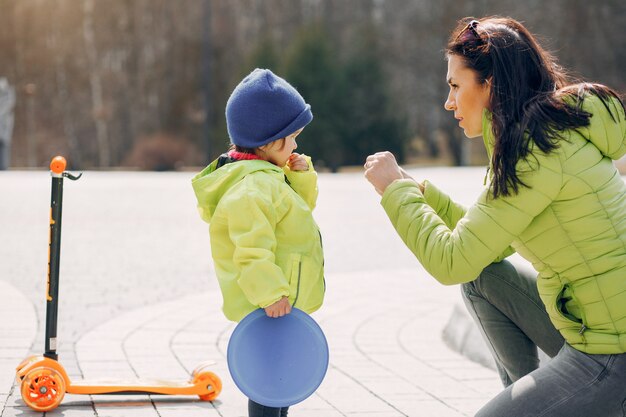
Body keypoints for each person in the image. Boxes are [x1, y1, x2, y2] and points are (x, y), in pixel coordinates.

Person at [364, 16, 626, 417]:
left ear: (490, 86)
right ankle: (534, 398)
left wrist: (394, 192)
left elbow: (450, 261)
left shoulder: (534, 154)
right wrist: (420, 194)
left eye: (455, 86)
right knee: (481, 277)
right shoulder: (538, 137)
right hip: (590, 331)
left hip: (612, 352)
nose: (448, 101)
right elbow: (490, 244)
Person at [192, 68, 325, 417]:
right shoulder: (252, 189)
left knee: (280, 383)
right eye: (292, 137)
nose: (296, 145)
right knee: (268, 384)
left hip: (278, 303)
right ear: (269, 142)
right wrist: (270, 293)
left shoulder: (269, 178)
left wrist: (300, 175)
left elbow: (298, 211)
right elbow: (250, 250)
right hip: (269, 304)